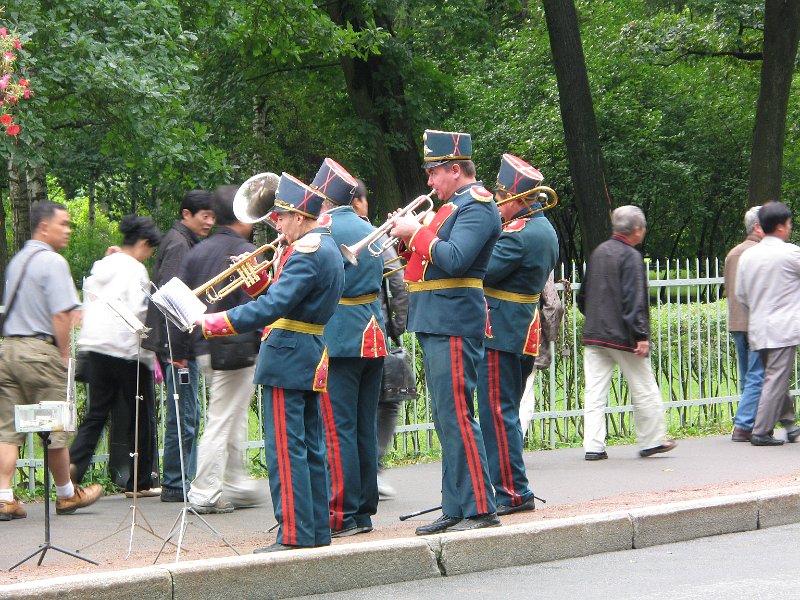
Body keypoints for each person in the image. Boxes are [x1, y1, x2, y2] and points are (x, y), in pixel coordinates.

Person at [199, 172, 344, 552]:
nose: (274, 223)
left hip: (288, 354)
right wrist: (255, 278)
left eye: (280, 216)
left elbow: (275, 306)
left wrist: (217, 322)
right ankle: (314, 530)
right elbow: (284, 296)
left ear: (298, 216)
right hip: (304, 352)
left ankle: (294, 533)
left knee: (285, 449)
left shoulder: (308, 251)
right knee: (309, 447)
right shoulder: (320, 246)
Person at [390, 129, 501, 534]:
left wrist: (414, 232)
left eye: (434, 172)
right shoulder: (449, 207)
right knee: (445, 416)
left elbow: (454, 260)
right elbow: (425, 262)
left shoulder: (477, 205)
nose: (429, 181)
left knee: (457, 414)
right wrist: (405, 238)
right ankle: (456, 504)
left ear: (456, 169)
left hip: (454, 319)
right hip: (436, 319)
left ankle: (480, 508)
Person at [0, 201, 102, 520]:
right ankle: (67, 494)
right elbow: (61, 313)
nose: (69, 230)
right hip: (39, 352)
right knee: (55, 426)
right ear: (44, 227)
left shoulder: (18, 261)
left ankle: (4, 497)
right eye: (65, 224)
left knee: (7, 430)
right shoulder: (53, 262)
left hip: (9, 350)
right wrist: (63, 355)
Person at [477, 154, 559, 515]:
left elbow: (481, 270)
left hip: (503, 330)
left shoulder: (521, 234)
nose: (497, 201)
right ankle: (510, 487)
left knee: (497, 412)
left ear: (520, 199)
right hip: (519, 327)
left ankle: (511, 491)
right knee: (503, 410)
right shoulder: (544, 228)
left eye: (502, 195)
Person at [313, 159, 387, 536]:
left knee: (337, 427)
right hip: (372, 333)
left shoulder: (323, 231)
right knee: (362, 426)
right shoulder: (369, 228)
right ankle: (362, 510)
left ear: (322, 196)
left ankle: (340, 512)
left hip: (339, 335)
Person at [182, 185, 267, 514]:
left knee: (230, 415)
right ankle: (205, 491)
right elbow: (256, 305)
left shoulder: (198, 252)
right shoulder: (246, 249)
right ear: (244, 216)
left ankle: (236, 483)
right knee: (222, 418)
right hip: (235, 345)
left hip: (204, 345)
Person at [69, 216, 163, 497]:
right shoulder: (136, 270)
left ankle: (73, 467)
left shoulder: (102, 265)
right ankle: (141, 481)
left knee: (97, 415)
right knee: (141, 416)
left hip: (95, 348)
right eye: (150, 250)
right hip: (127, 352)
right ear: (144, 244)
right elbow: (138, 310)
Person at [577, 205, 676, 460]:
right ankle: (652, 440)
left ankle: (593, 447)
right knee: (644, 386)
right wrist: (641, 335)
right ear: (637, 230)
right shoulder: (631, 256)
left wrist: (595, 319)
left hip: (594, 334)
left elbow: (583, 295)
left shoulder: (598, 252)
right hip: (622, 337)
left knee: (594, 393)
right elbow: (635, 300)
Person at [143, 190, 215, 502]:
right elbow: (172, 301)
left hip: (177, 344)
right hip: (177, 346)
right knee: (184, 415)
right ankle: (176, 482)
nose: (209, 222)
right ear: (187, 214)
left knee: (185, 413)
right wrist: (180, 353)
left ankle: (178, 479)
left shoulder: (180, 241)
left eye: (213, 216)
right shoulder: (179, 244)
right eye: (204, 216)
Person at [352, 180, 410, 500]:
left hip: (337, 333)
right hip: (377, 330)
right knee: (386, 402)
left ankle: (355, 471)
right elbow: (398, 284)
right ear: (358, 202)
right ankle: (372, 468)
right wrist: (398, 326)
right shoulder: (374, 237)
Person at [735, 201, 800, 446]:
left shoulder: (748, 255)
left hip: (757, 328)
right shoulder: (791, 253)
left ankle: (791, 425)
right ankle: (761, 431)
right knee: (776, 378)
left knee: (775, 376)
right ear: (782, 227)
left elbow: (741, 295)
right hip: (784, 328)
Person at [724, 206, 764, 442]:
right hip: (755, 322)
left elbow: (728, 288)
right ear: (759, 227)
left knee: (746, 374)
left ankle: (750, 420)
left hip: (736, 321)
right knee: (757, 374)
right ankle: (744, 424)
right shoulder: (759, 253)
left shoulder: (733, 253)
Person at [518, 273, 564, 435]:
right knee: (525, 394)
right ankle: (513, 445)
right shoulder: (540, 254)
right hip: (530, 332)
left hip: (498, 333)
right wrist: (550, 336)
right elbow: (553, 305)